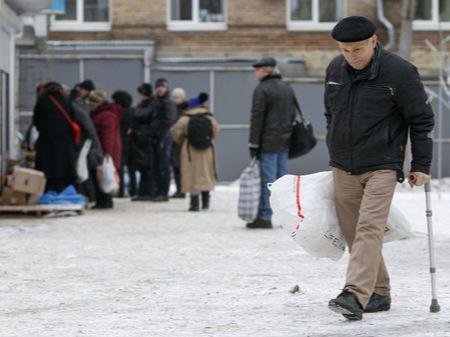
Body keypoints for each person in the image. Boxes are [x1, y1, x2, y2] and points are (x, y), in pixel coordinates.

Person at [325, 16, 434, 321]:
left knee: (369, 228)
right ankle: (379, 292)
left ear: (374, 41)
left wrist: (421, 164)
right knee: (352, 233)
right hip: (343, 165)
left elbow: (421, 120)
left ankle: (354, 294)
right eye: (345, 50)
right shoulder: (335, 69)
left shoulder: (399, 71)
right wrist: (333, 148)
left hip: (383, 165)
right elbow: (330, 113)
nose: (351, 57)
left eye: (357, 49)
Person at [247, 57, 297, 229]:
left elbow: (257, 118)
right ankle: (285, 219)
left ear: (265, 71)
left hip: (268, 142)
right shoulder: (286, 87)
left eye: (257, 70)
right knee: (282, 181)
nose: (255, 73)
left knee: (267, 180)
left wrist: (253, 144)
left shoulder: (262, 89)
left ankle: (265, 216)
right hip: (285, 140)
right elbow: (292, 114)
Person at [172, 93, 220, 211]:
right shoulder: (210, 118)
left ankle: (194, 204)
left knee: (192, 174)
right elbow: (216, 132)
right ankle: (205, 202)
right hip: (207, 150)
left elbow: (175, 133)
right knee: (205, 174)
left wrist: (183, 141)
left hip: (189, 150)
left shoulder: (185, 118)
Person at [32, 82, 77, 192]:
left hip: (46, 144)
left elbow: (36, 122)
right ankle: (64, 196)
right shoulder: (67, 102)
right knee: (63, 172)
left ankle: (49, 195)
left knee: (47, 173)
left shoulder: (42, 101)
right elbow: (74, 119)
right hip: (65, 144)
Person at [88, 91, 123, 209]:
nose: (90, 104)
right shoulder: (100, 114)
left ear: (97, 103)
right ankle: (103, 201)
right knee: (101, 175)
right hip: (102, 151)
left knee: (104, 175)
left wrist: (107, 154)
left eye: (92, 102)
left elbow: (108, 136)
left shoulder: (106, 115)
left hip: (105, 152)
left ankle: (105, 201)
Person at [70, 82, 103, 203]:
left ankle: (90, 196)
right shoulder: (80, 106)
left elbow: (88, 127)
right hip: (87, 143)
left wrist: (95, 143)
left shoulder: (77, 106)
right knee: (85, 170)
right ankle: (90, 196)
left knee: (84, 170)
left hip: (84, 144)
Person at [149, 78, 177, 202]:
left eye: (162, 87)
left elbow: (169, 120)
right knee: (156, 165)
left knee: (163, 165)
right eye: (158, 87)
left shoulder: (168, 103)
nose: (160, 89)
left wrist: (159, 130)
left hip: (164, 136)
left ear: (166, 88)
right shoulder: (155, 102)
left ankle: (163, 192)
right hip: (155, 136)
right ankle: (157, 191)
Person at [130, 83, 155, 201]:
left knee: (147, 166)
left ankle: (147, 192)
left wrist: (141, 130)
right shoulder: (141, 105)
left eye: (141, 93)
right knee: (143, 166)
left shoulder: (151, 105)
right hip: (139, 138)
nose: (140, 96)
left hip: (146, 138)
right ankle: (143, 192)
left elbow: (148, 119)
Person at [112, 90, 137, 198]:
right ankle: (134, 190)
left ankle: (121, 190)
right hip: (133, 142)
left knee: (120, 167)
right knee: (132, 168)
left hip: (121, 141)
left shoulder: (118, 112)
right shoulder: (134, 111)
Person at [170, 88, 189, 199]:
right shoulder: (172, 109)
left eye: (177, 97)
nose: (175, 100)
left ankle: (183, 190)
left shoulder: (187, 109)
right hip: (175, 141)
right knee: (176, 166)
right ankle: (179, 189)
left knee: (182, 166)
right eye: (174, 97)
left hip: (183, 141)